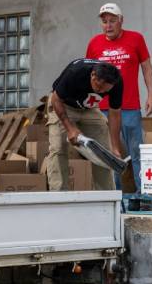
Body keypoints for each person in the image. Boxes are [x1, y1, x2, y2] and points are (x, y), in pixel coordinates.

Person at [86, 2, 152, 192]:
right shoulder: (94, 43)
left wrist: (151, 95)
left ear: (121, 21)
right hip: (103, 109)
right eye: (105, 21)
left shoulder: (136, 39)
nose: (108, 25)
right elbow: (89, 75)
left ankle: (144, 194)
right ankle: (114, 195)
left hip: (129, 107)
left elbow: (147, 68)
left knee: (137, 152)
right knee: (109, 153)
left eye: (112, 21)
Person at [46, 59, 124, 191]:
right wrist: (70, 129)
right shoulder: (76, 72)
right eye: (98, 87)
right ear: (93, 75)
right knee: (58, 147)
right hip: (63, 105)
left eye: (103, 91)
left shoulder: (117, 82)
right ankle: (58, 194)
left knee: (104, 153)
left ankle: (106, 196)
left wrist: (115, 148)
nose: (100, 92)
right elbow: (56, 99)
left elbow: (114, 113)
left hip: (89, 108)